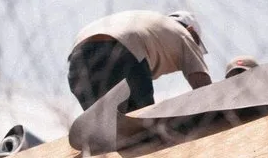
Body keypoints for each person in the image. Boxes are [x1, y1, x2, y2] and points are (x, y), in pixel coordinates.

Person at [67, 10, 212, 113]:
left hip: (77, 57)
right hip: (123, 50)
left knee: (106, 121)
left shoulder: (155, 26)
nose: (196, 49)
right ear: (191, 30)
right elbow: (203, 87)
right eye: (197, 43)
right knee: (142, 119)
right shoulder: (184, 34)